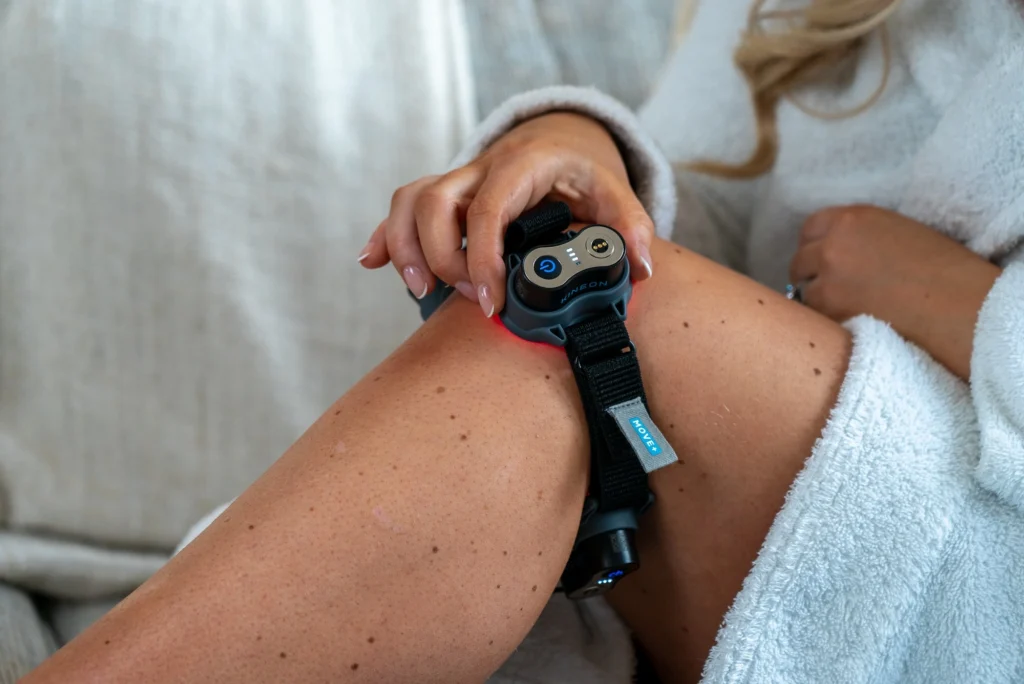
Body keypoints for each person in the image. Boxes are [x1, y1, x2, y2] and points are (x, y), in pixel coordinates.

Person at [25, 0, 1024, 682]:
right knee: (569, 282)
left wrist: (969, 311)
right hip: (746, 507)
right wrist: (579, 154)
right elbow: (696, 212)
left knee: (580, 321)